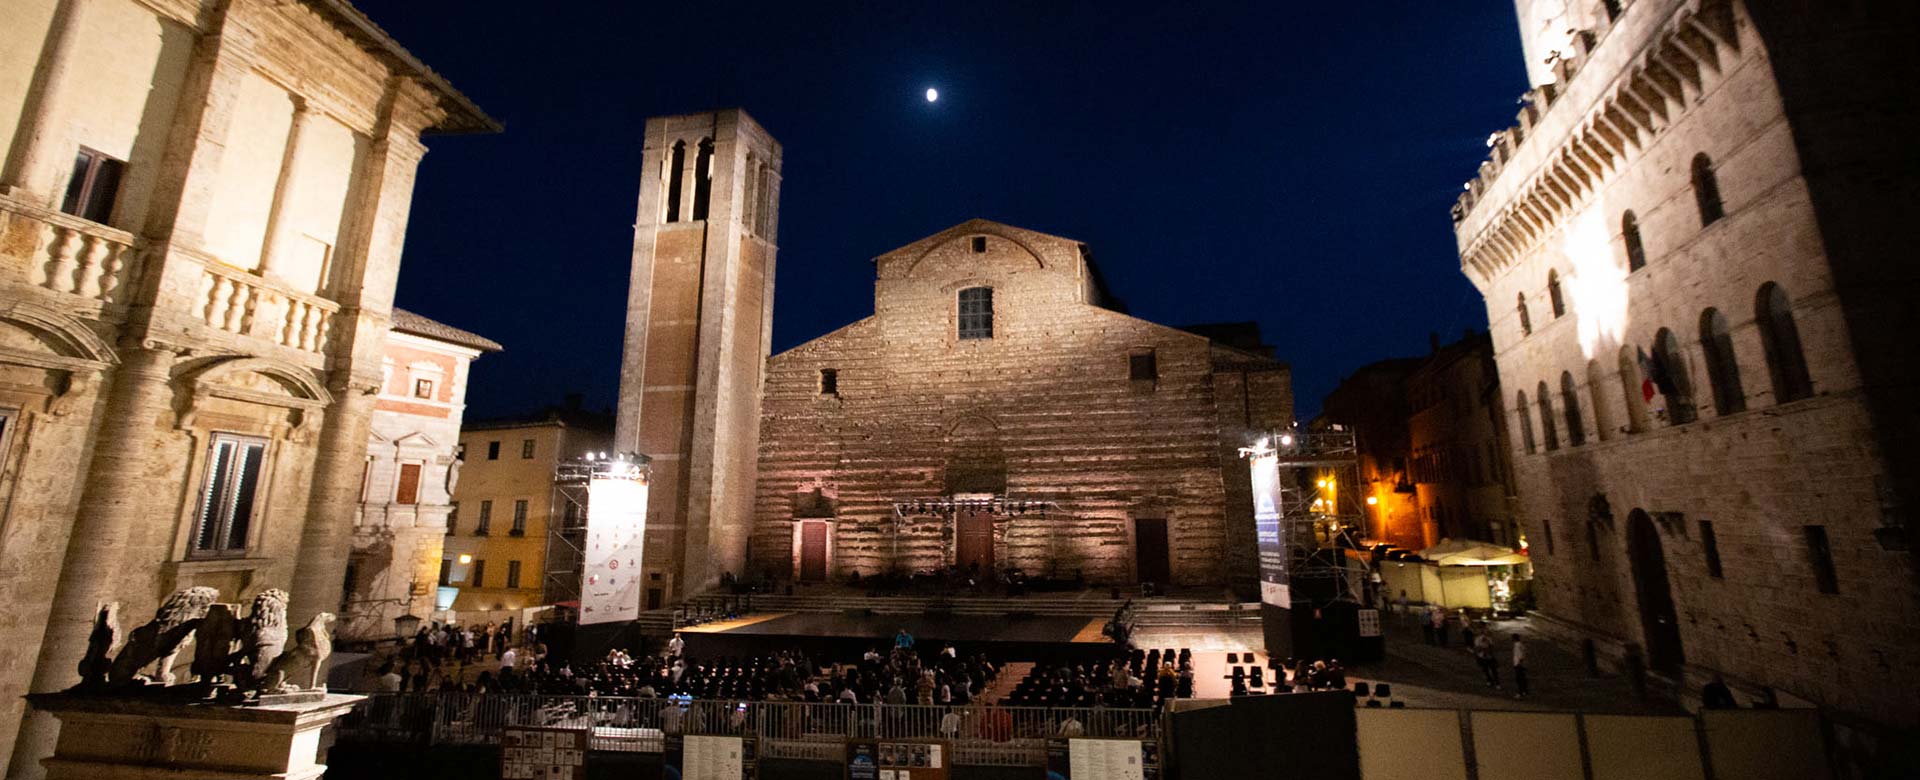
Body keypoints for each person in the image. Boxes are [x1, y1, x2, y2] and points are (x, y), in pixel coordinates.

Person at [1511, 634, 1530, 698]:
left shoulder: (1517, 645)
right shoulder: (1521, 644)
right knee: (1523, 678)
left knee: (1519, 679)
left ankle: (1520, 692)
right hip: (1522, 664)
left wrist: (1519, 663)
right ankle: (1525, 691)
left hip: (1518, 664)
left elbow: (1520, 655)